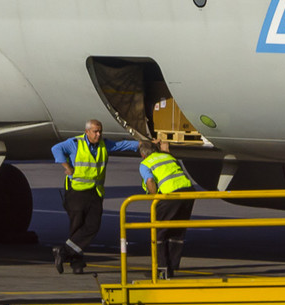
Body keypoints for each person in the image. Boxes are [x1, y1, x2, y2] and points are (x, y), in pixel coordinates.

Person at [50, 119, 139, 274]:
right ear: (87, 132)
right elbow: (56, 149)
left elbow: (123, 145)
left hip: (95, 191)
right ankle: (76, 263)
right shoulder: (75, 144)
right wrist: (67, 167)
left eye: (100, 131)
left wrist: (145, 144)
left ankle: (63, 251)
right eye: (95, 132)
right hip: (76, 191)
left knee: (92, 226)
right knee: (77, 227)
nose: (98, 134)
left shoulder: (104, 144)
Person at [139, 136, 198, 279]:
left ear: (142, 154)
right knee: (177, 233)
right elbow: (169, 159)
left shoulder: (145, 163)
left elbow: (150, 180)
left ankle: (162, 270)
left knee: (159, 233)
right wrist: (164, 147)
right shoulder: (168, 157)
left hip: (170, 196)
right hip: (188, 193)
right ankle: (171, 269)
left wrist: (155, 198)